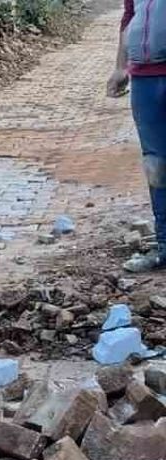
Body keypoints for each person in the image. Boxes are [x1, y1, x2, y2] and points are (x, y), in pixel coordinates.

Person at [110, 0, 166, 272]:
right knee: (156, 165)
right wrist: (121, 67)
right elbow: (129, 15)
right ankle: (165, 247)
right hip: (144, 77)